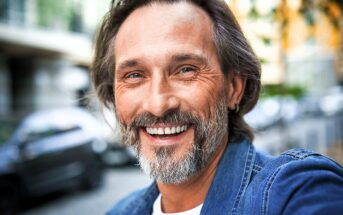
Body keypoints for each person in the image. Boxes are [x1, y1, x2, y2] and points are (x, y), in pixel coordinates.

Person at [91, 0, 343, 214]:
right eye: (134, 75)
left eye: (186, 70)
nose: (158, 105)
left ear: (234, 88)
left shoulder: (296, 191)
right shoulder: (120, 211)